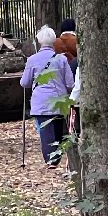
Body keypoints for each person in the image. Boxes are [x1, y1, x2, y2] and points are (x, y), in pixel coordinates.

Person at [19, 26, 74, 166]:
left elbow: (25, 83)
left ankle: (51, 160)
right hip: (59, 100)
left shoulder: (32, 60)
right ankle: (58, 156)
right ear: (54, 40)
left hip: (41, 102)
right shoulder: (61, 59)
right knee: (59, 129)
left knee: (45, 131)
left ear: (39, 41)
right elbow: (70, 83)